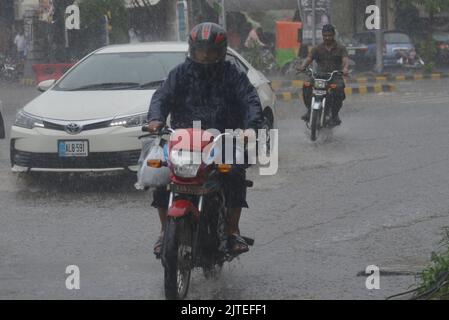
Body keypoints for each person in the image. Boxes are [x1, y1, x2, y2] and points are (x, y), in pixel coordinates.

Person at [146, 22, 263, 257]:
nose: (205, 56)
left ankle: (231, 232)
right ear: (192, 49)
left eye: (210, 51)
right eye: (200, 50)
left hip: (222, 138)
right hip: (184, 139)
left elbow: (250, 99)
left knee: (234, 172)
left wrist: (251, 127)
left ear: (221, 51)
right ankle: (163, 232)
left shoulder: (232, 74)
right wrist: (156, 119)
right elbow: (162, 96)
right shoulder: (180, 73)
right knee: (159, 173)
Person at [297, 24, 350, 126]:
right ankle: (309, 110)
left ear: (333, 35)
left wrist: (345, 69)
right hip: (319, 76)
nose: (327, 38)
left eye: (329, 35)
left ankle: (334, 115)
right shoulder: (317, 48)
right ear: (322, 35)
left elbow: (345, 60)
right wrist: (303, 66)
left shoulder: (340, 48)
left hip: (334, 76)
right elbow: (309, 58)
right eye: (325, 35)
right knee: (307, 85)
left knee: (339, 90)